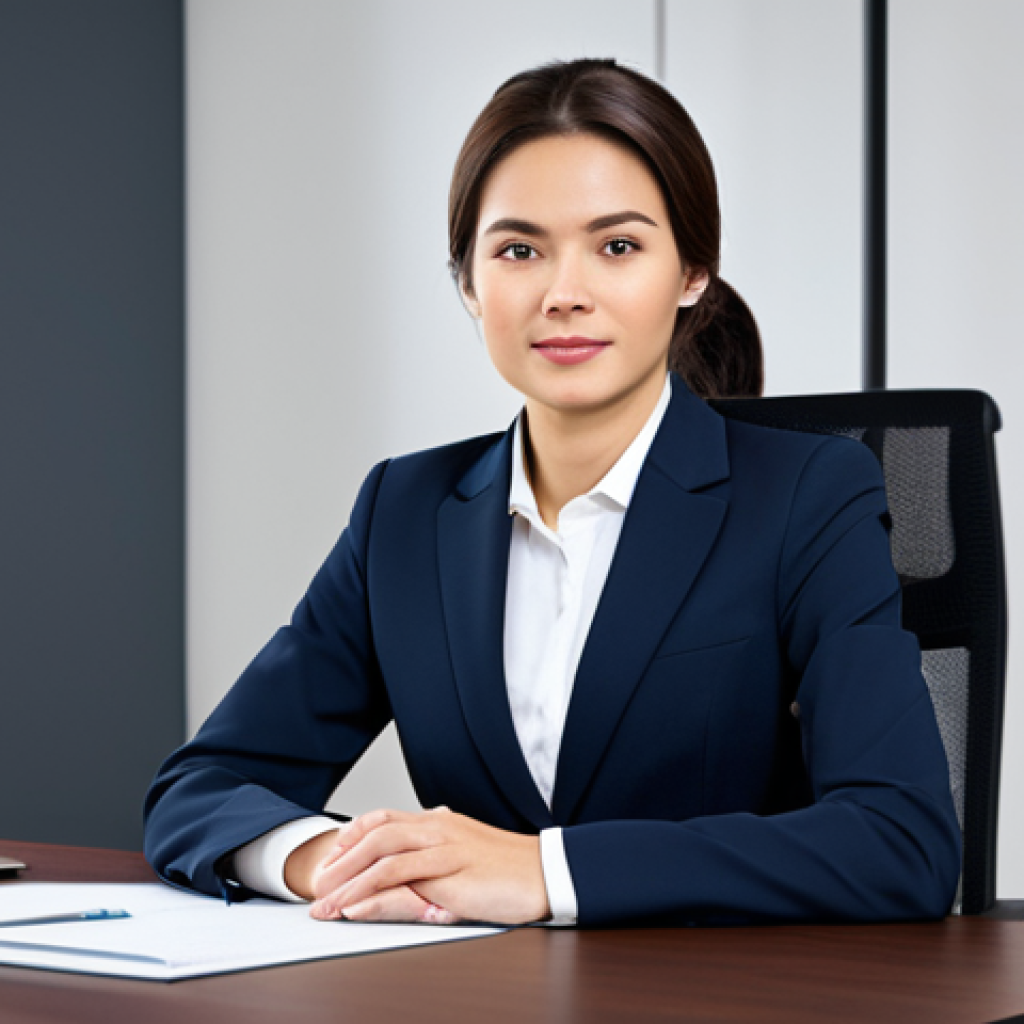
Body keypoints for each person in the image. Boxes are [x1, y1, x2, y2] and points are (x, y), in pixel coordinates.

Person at [144, 58, 960, 928]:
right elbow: (201, 789)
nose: (564, 295)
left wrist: (546, 871)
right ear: (469, 283)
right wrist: (338, 864)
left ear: (692, 272)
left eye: (618, 247)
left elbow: (899, 842)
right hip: (480, 987)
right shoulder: (404, 513)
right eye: (519, 250)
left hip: (719, 988)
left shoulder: (809, 496)